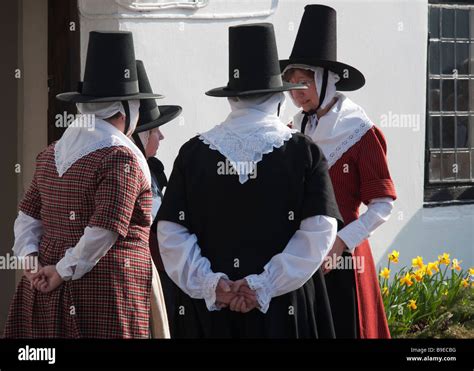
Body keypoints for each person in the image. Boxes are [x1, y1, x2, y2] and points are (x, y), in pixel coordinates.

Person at [156, 23, 343, 338]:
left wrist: (214, 285)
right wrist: (264, 285)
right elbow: (320, 231)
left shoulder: (193, 153)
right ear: (276, 97)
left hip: (212, 315)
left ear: (232, 97)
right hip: (284, 310)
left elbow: (170, 231)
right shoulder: (303, 152)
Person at [3, 31, 168, 338]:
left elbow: (26, 218)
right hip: (107, 295)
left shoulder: (52, 152)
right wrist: (63, 271)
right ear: (124, 110)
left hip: (45, 288)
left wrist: (33, 263)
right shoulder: (120, 158)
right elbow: (103, 229)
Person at [280, 4, 397, 338]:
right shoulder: (293, 129)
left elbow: (383, 205)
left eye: (304, 82)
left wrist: (341, 245)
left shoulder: (361, 132)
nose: (296, 92)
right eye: (292, 84)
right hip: (303, 252)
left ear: (326, 80)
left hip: (344, 257)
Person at [132, 59, 182, 336]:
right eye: (154, 130)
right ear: (140, 136)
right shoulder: (136, 172)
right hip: (144, 280)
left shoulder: (153, 169)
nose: (161, 136)